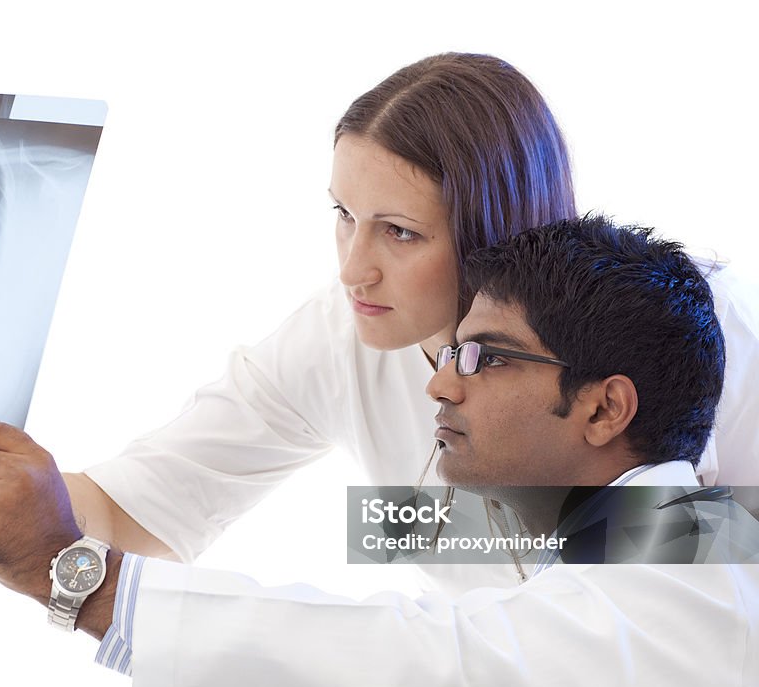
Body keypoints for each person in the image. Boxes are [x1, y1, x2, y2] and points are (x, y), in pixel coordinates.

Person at [0, 215, 756, 687]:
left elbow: (441, 677)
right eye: (450, 353)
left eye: (484, 358)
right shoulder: (620, 551)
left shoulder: (697, 585)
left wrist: (82, 580)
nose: (441, 383)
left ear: (604, 408)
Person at [59, 52, 759, 572]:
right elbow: (135, 510)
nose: (351, 268)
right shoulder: (343, 335)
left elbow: (740, 556)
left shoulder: (691, 320)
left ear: (492, 230)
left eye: (400, 232)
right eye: (344, 215)